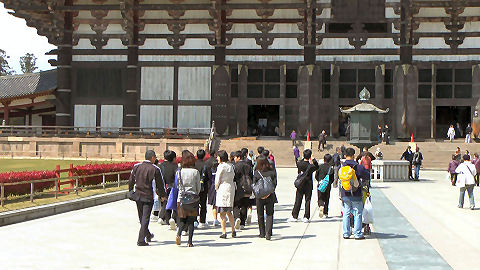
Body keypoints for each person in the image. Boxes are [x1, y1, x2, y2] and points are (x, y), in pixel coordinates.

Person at [128, 150, 167, 246]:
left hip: (137, 195)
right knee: (145, 218)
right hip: (148, 196)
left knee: (142, 217)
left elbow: (131, 180)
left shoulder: (136, 166)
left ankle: (148, 234)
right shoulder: (155, 169)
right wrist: (162, 195)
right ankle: (141, 240)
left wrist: (130, 191)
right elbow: (160, 184)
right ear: (153, 157)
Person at [340, 147, 370, 240]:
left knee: (346, 213)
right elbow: (367, 175)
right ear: (353, 156)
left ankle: (346, 233)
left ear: (345, 156)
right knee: (358, 213)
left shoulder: (342, 167)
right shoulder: (358, 167)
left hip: (345, 194)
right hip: (356, 193)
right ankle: (357, 234)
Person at [175, 151, 201, 247]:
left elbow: (178, 186)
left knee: (182, 219)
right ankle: (190, 241)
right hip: (193, 198)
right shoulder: (195, 172)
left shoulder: (180, 172)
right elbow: (198, 187)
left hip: (181, 198)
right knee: (191, 220)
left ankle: (179, 233)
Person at [289, 149, 319, 223]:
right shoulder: (311, 166)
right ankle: (306, 216)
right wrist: (313, 159)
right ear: (310, 157)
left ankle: (295, 216)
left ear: (303, 155)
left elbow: (299, 166)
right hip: (308, 184)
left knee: (298, 200)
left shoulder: (299, 163)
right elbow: (317, 167)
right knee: (307, 200)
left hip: (301, 183)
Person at [253, 156, 277, 240]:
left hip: (260, 197)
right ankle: (268, 232)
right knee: (269, 214)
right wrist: (268, 192)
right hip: (270, 195)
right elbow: (274, 184)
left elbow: (254, 185)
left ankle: (262, 233)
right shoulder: (271, 172)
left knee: (260, 215)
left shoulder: (257, 173)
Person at [215, 150, 237, 238]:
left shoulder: (221, 167)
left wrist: (216, 188)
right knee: (229, 211)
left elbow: (217, 179)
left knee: (222, 213)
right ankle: (233, 229)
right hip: (230, 187)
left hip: (223, 187)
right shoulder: (231, 166)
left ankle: (224, 231)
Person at [233, 150, 253, 230]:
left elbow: (234, 177)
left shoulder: (235, 166)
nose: (234, 159)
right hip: (247, 187)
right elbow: (251, 176)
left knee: (236, 204)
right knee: (245, 205)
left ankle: (237, 217)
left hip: (239, 187)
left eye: (235, 157)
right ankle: (242, 223)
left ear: (238, 157)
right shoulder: (248, 165)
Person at [159, 150, 178, 229]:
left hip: (162, 186)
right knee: (172, 203)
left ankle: (163, 217)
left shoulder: (160, 166)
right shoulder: (175, 166)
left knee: (164, 202)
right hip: (171, 187)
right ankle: (172, 218)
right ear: (173, 158)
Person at [315, 154, 334, 218]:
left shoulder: (319, 167)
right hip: (327, 185)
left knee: (320, 197)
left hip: (320, 183)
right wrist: (329, 183)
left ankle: (321, 205)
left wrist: (319, 180)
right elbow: (332, 179)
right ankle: (325, 213)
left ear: (324, 159)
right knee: (327, 198)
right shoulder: (331, 169)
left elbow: (316, 176)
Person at [194, 149, 209, 229]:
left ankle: (194, 220)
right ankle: (202, 221)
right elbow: (208, 177)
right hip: (203, 187)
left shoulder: (194, 164)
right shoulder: (205, 165)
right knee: (203, 204)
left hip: (195, 187)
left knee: (195, 204)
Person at [206, 149, 220, 227]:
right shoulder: (218, 163)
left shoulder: (207, 162)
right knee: (217, 203)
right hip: (218, 186)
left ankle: (214, 218)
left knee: (213, 203)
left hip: (210, 185)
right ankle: (217, 218)